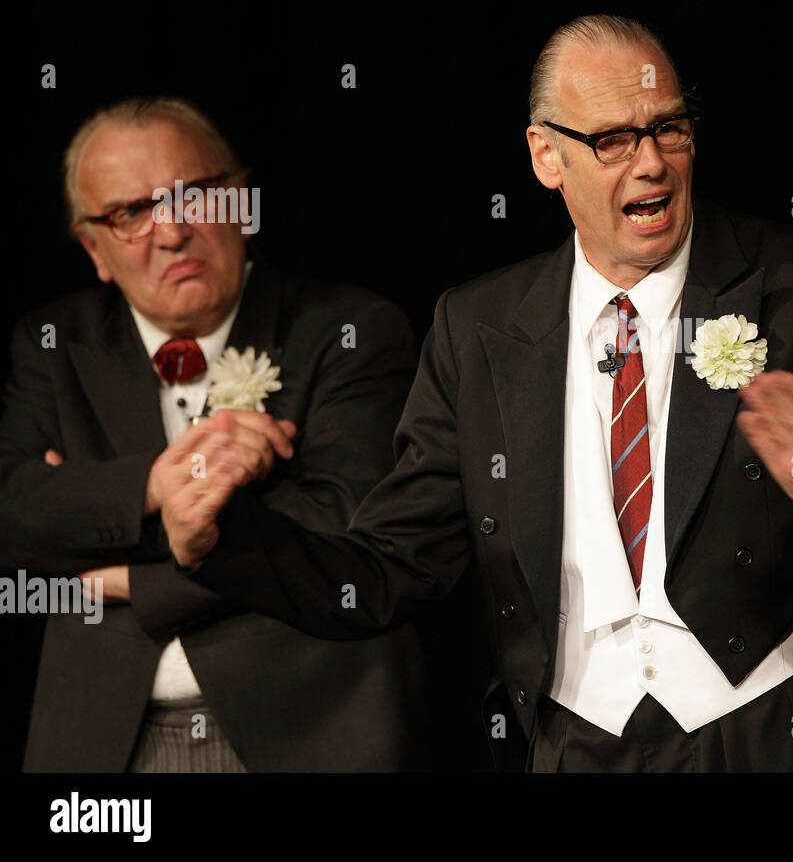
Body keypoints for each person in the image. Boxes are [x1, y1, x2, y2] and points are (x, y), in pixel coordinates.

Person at [167, 15, 793, 771]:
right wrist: (223, 541)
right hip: (575, 738)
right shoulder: (479, 325)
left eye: (670, 129)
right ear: (545, 156)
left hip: (770, 722)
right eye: (614, 140)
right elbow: (392, 566)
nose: (652, 162)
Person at [0, 97, 483, 771]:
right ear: (95, 250)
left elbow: (349, 530)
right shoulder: (52, 345)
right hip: (103, 747)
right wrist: (156, 486)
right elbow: (17, 515)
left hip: (309, 734)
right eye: (130, 213)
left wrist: (131, 582)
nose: (170, 231)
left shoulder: (350, 330)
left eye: (195, 195)